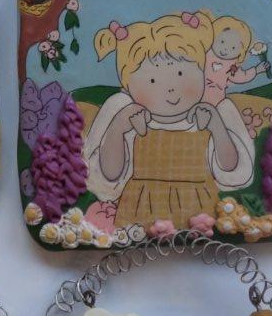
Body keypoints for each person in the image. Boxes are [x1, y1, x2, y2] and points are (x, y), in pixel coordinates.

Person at [84, 12, 255, 232]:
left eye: (181, 73)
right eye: (152, 80)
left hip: (200, 209)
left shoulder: (206, 117)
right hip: (141, 209)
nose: (171, 88)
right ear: (128, 86)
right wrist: (117, 129)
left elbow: (231, 169)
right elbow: (109, 175)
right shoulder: (133, 119)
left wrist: (217, 128)